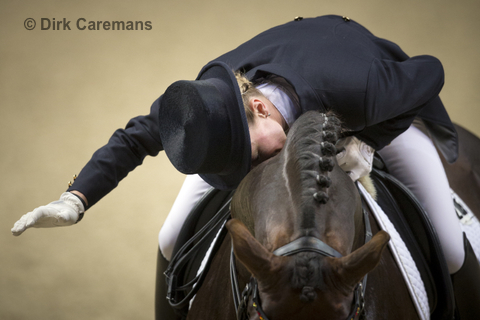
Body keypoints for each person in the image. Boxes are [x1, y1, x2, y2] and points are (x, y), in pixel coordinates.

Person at [11, 15, 479, 319]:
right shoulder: (205, 106)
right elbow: (136, 135)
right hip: (273, 107)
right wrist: (76, 198)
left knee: (453, 249)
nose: (262, 167)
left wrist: (368, 141)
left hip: (378, 117)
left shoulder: (360, 88)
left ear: (257, 107)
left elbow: (430, 71)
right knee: (171, 238)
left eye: (256, 156)